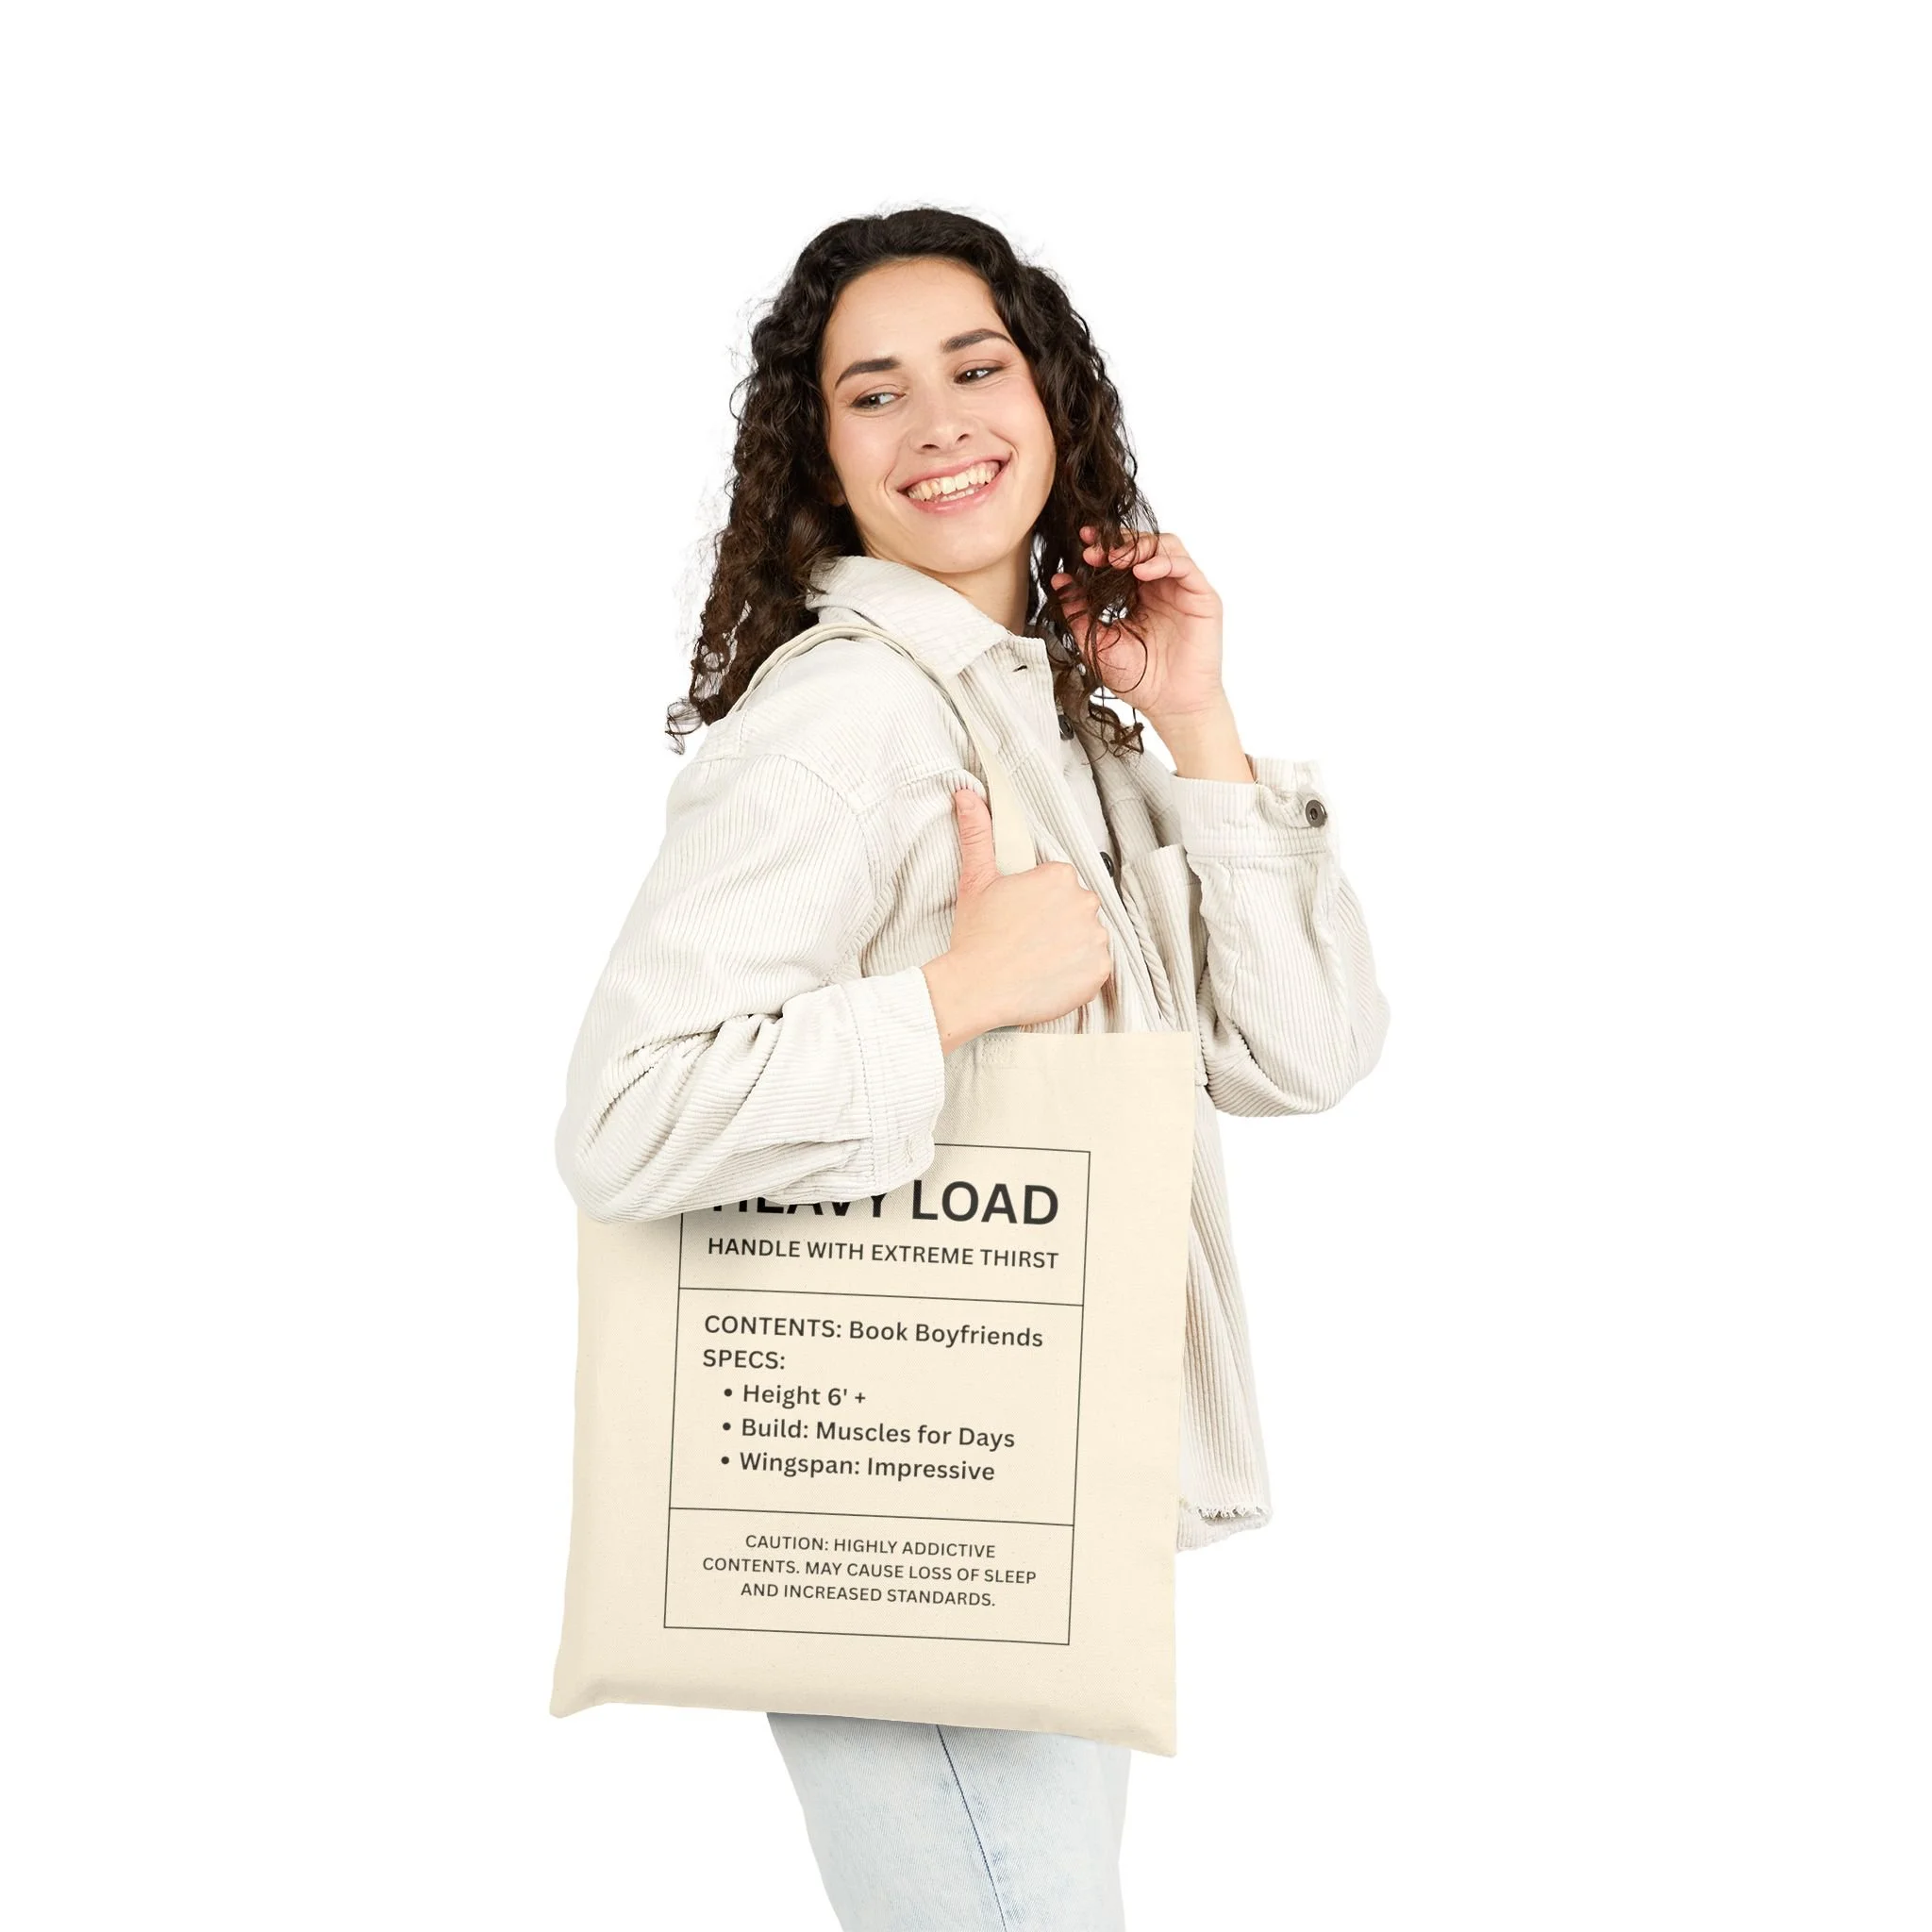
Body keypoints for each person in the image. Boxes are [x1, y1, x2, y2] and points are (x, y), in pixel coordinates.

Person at [554, 206, 1391, 1931]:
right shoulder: (848, 718)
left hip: (1030, 1485)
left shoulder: (1050, 722)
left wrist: (1199, 724)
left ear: (1052, 400)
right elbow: (626, 1118)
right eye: (874, 394)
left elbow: (1303, 1055)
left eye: (976, 367)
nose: (937, 422)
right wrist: (952, 997)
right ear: (824, 461)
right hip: (900, 1498)